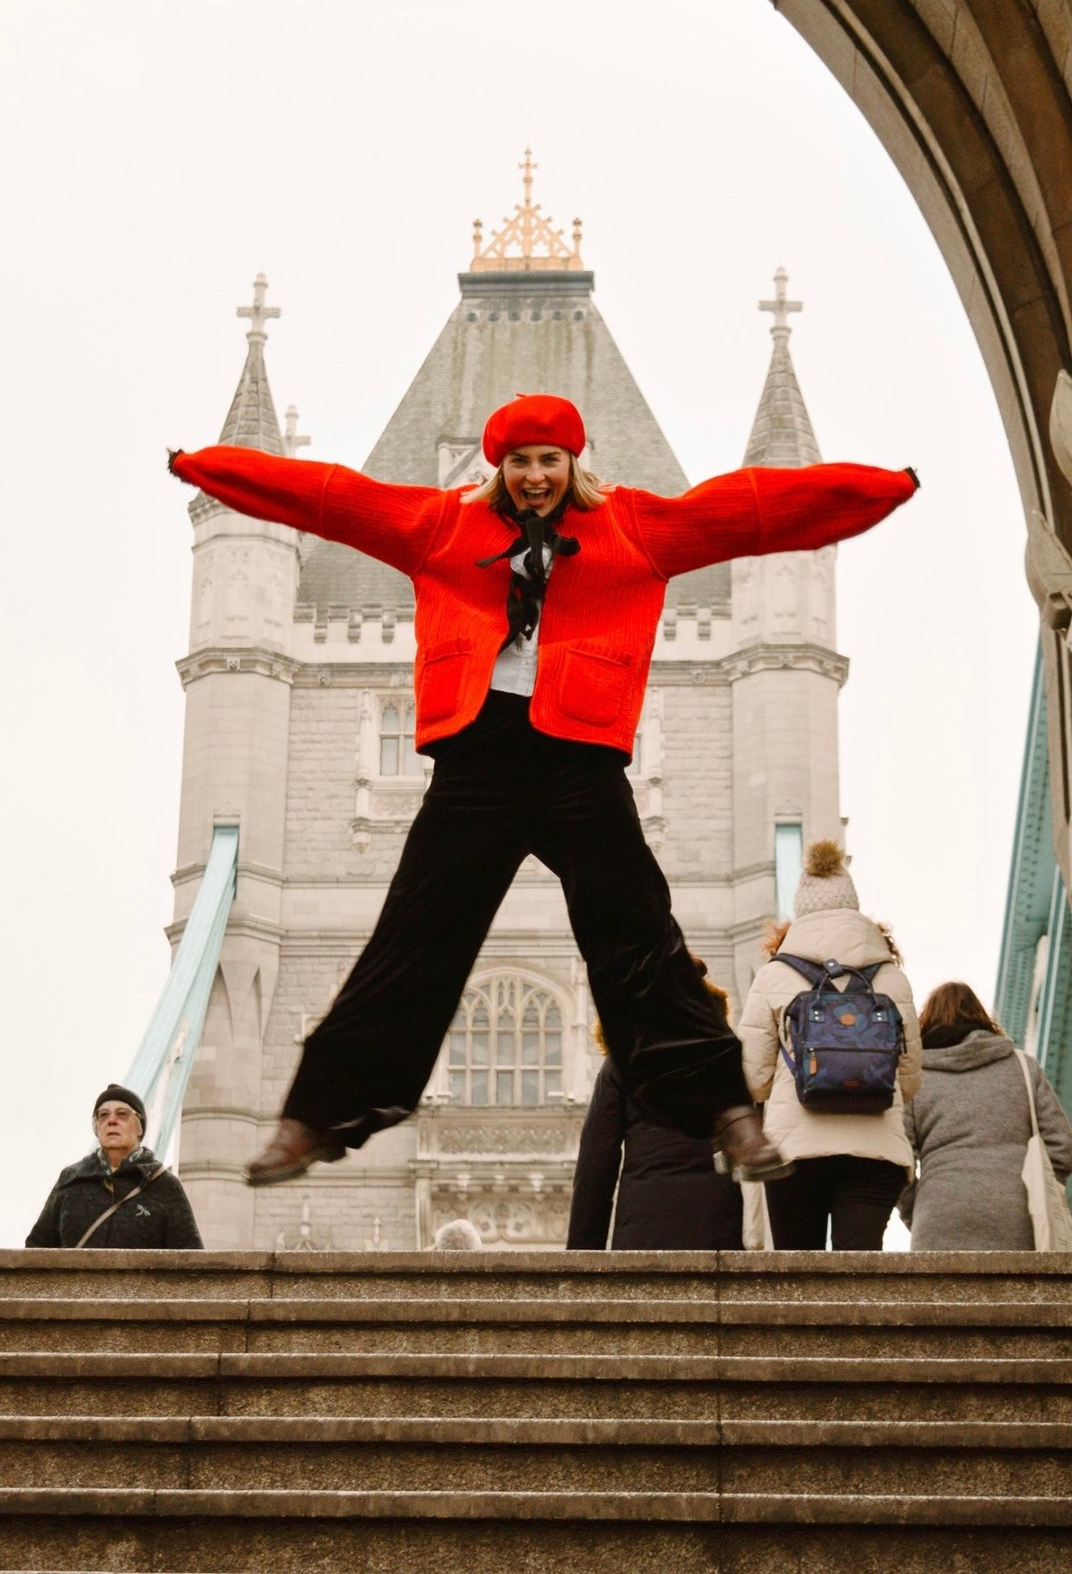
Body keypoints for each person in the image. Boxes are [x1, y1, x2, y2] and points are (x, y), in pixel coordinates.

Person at [169, 393, 918, 1189]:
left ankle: (727, 1113)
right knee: (413, 939)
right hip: (478, 758)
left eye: (548, 461)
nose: (533, 476)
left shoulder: (634, 526)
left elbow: (755, 511)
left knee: (639, 937)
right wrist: (207, 470)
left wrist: (880, 489)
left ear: (573, 463)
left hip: (579, 759)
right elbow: (326, 497)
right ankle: (315, 1119)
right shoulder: (441, 524)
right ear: (501, 466)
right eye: (520, 461)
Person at [738, 840, 922, 1250]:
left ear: (801, 910)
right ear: (854, 906)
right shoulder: (891, 978)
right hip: (875, 1150)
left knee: (799, 1281)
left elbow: (753, 1079)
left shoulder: (774, 975)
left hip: (795, 1151)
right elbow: (909, 1080)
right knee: (858, 1280)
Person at [567, 969, 743, 1250]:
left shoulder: (622, 1064)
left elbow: (595, 1166)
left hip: (644, 1226)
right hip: (719, 1223)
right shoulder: (726, 1056)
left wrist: (581, 1253)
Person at [899, 981, 1072, 1250]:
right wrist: (1039, 1193)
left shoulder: (917, 1079)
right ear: (981, 1017)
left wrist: (917, 1208)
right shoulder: (1022, 1067)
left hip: (939, 1214)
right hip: (1018, 1212)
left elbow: (900, 1161)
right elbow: (1061, 1144)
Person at [26, 1085, 203, 1249]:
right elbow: (35, 1249)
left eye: (122, 1114)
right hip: (74, 1284)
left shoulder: (165, 1186)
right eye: (103, 1115)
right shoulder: (70, 1180)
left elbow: (191, 1260)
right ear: (96, 1127)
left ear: (140, 1128)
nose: (111, 1120)